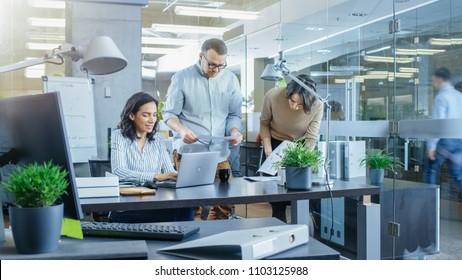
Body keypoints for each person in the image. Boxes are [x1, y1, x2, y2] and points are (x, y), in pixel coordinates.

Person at [162, 38, 243, 220]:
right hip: (190, 152)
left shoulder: (230, 79)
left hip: (219, 153)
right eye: (212, 64)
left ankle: (216, 240)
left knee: (225, 202)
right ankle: (193, 243)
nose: (216, 70)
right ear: (201, 56)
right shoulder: (181, 78)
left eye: (221, 65)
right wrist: (182, 131)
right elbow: (168, 114)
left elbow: (233, 115)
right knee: (192, 205)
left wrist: (234, 132)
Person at [109, 92, 194, 223]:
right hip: (127, 207)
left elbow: (169, 172)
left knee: (185, 209)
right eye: (145, 115)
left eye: (154, 115)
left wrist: (183, 177)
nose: (152, 120)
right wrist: (155, 176)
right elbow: (119, 170)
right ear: (132, 115)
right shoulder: (119, 136)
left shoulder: (157, 140)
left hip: (153, 201)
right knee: (180, 215)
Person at [260, 74, 324, 223]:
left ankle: (302, 234)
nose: (294, 107)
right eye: (293, 101)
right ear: (288, 93)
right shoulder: (273, 95)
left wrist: (303, 158)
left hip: (300, 147)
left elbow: (311, 137)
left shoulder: (318, 104)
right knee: (277, 200)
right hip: (275, 143)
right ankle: (278, 237)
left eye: (300, 106)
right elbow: (264, 123)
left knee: (301, 197)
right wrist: (268, 151)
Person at [425, 68, 462, 189]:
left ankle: (428, 201)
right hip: (459, 140)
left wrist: (431, 147)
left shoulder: (441, 97)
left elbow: (438, 124)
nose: (433, 83)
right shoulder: (459, 96)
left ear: (440, 80)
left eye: (433, 80)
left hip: (446, 141)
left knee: (430, 169)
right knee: (458, 174)